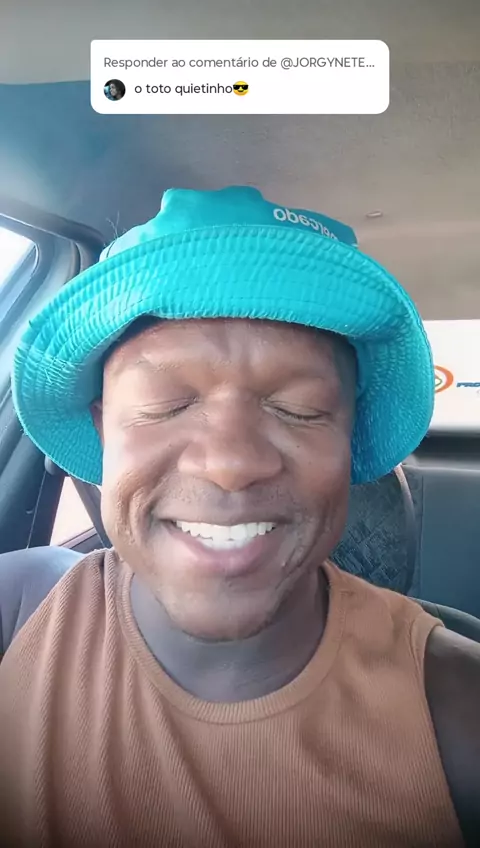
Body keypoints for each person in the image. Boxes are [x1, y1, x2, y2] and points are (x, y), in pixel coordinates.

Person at [0, 185, 478, 847]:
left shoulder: (455, 705)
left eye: (301, 409)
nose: (230, 463)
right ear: (103, 431)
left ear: (348, 439)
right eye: (165, 405)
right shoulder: (16, 613)